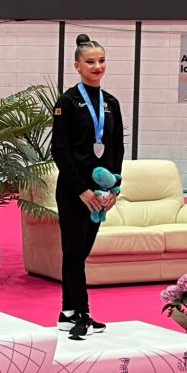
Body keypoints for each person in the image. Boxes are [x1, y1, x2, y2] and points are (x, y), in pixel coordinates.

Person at [50, 34, 125, 339]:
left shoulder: (111, 103)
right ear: (77, 66)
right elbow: (60, 150)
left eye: (102, 61)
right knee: (73, 251)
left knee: (81, 252)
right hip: (74, 191)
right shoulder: (67, 102)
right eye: (90, 62)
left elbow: (117, 149)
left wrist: (115, 188)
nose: (97, 66)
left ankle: (68, 312)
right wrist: (82, 190)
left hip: (102, 193)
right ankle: (81, 313)